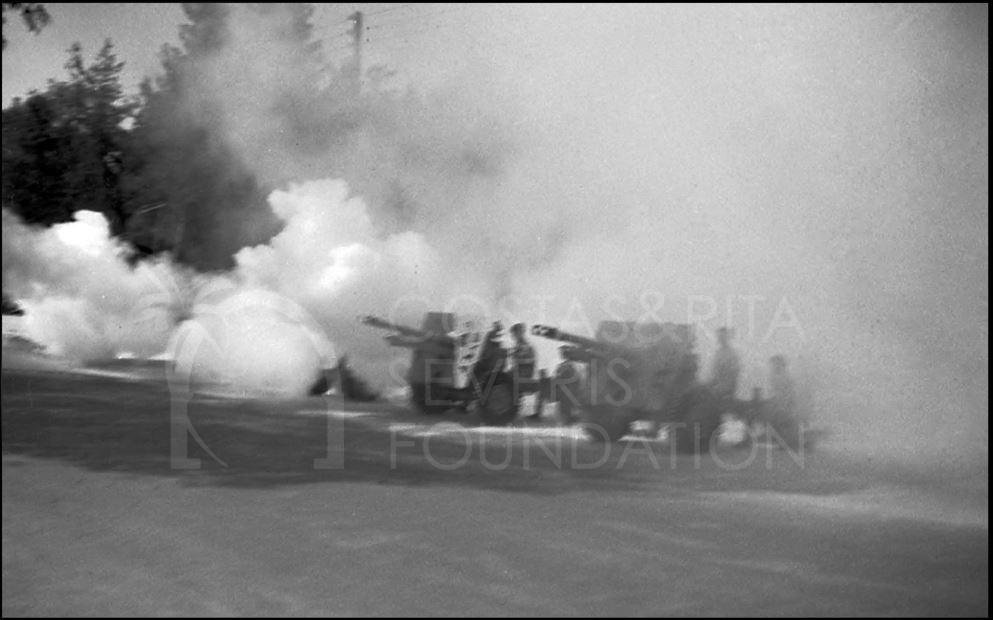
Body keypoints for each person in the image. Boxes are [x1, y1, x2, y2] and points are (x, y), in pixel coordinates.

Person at [709, 327, 741, 405]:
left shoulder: (732, 353)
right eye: (719, 337)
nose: (721, 339)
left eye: (723, 337)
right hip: (717, 388)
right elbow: (714, 371)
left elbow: (735, 372)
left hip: (727, 389)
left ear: (727, 338)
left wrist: (729, 387)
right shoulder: (718, 353)